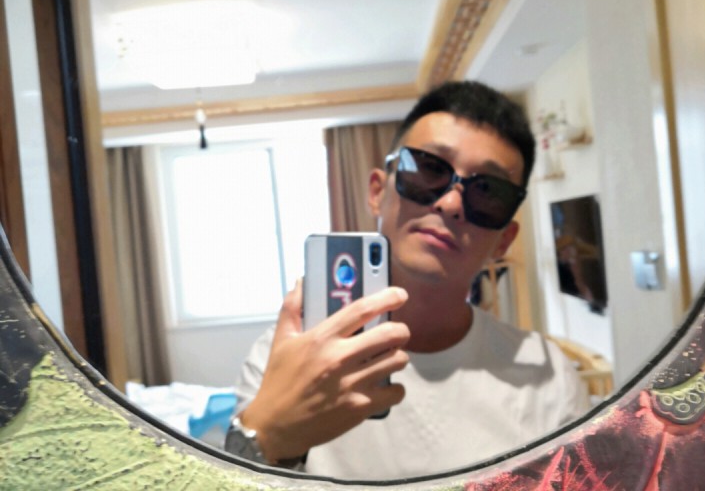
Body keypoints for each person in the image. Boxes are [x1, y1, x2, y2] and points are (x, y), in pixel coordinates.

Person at [225, 81, 588, 479]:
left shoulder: (548, 379)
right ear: (377, 192)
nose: (451, 203)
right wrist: (269, 438)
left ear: (504, 240)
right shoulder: (287, 355)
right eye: (429, 169)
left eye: (488, 191)